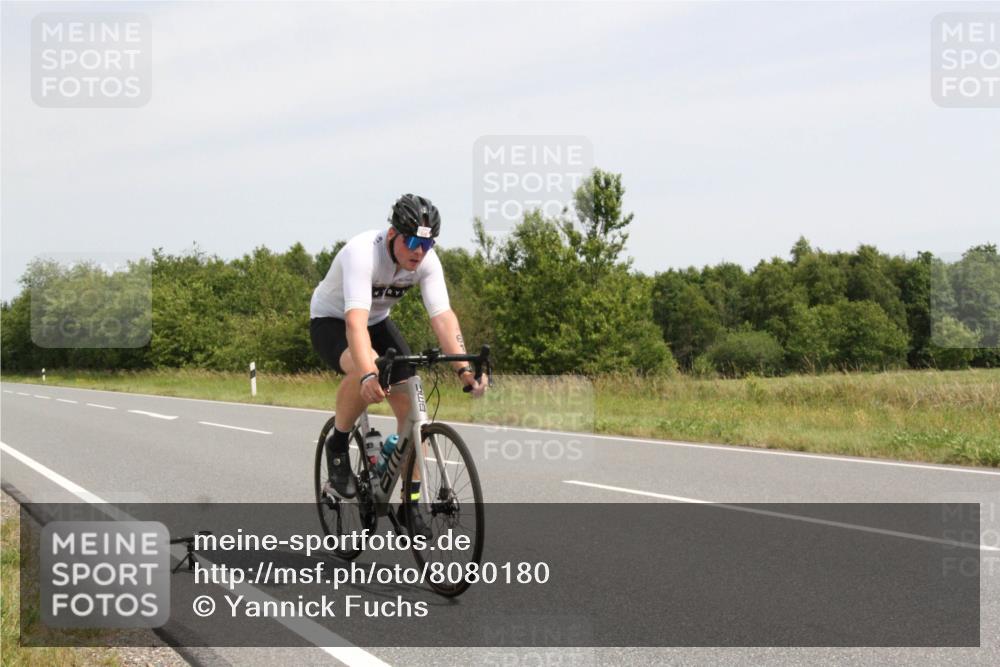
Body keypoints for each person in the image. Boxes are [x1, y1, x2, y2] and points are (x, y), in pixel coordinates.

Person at [309, 194, 488, 538]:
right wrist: (366, 373)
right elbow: (355, 325)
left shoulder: (427, 262)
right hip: (333, 321)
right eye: (412, 241)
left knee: (412, 413)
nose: (419, 250)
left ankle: (410, 504)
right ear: (393, 235)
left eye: (427, 242)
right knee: (364, 367)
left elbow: (442, 317)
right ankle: (338, 441)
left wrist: (465, 370)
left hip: (377, 322)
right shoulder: (362, 253)